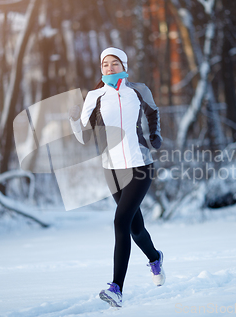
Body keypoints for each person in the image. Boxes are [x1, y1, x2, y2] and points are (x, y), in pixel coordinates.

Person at [68, 47, 165, 308]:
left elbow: (153, 111)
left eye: (114, 63)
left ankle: (116, 289)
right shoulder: (95, 96)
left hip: (140, 165)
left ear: (124, 64)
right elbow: (85, 137)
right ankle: (155, 257)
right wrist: (74, 121)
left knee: (120, 222)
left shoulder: (138, 90)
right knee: (135, 228)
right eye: (105, 65)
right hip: (112, 169)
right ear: (101, 69)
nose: (109, 68)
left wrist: (155, 135)